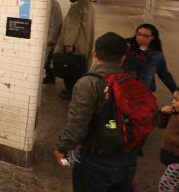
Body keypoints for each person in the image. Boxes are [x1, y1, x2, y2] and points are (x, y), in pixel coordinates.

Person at [54, 32, 141, 192]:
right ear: (122, 58)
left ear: (94, 53)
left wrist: (62, 147)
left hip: (97, 157)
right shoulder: (132, 80)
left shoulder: (89, 83)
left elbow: (78, 123)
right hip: (128, 157)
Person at [54, 0, 95, 99]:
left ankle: (70, 92)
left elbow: (73, 27)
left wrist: (68, 45)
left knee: (70, 69)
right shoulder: (88, 4)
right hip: (85, 42)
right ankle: (77, 91)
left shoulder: (76, 7)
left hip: (76, 45)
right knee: (79, 68)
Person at [122, 23, 177, 94]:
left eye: (145, 36)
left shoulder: (157, 55)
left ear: (153, 37)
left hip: (146, 91)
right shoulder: (126, 46)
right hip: (124, 88)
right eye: (139, 34)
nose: (141, 37)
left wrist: (175, 91)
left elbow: (164, 74)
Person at [42, 0, 63, 84]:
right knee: (47, 59)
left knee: (48, 58)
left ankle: (50, 77)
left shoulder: (53, 5)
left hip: (50, 38)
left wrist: (51, 40)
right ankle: (49, 77)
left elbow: (55, 24)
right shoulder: (52, 3)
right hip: (49, 37)